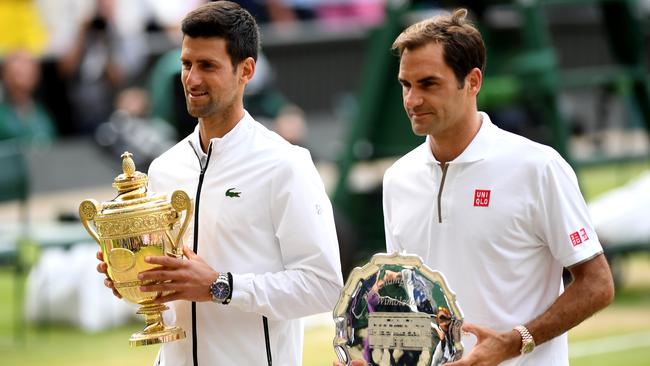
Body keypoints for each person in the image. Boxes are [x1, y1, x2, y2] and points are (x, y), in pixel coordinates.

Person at [337, 8, 614, 366]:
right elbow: (410, 304)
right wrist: (375, 357)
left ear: (473, 81)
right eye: (406, 85)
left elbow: (597, 284)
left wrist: (516, 342)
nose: (412, 100)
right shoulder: (398, 179)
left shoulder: (539, 167)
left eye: (428, 84)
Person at [96, 2, 343, 365]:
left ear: (246, 71)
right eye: (186, 64)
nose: (192, 79)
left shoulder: (286, 164)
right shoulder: (165, 168)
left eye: (207, 65)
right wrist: (133, 278)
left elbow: (325, 287)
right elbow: (176, 299)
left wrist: (220, 286)